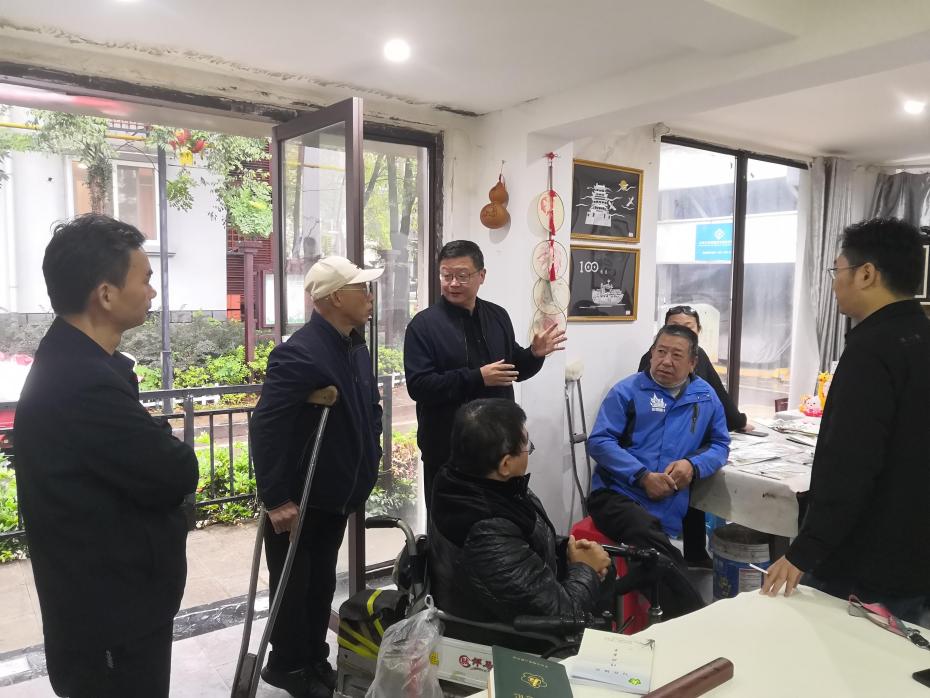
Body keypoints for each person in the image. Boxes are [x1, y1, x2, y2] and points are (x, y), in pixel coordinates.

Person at [14, 214, 198, 698]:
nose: (152, 292)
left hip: (107, 608)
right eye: (145, 279)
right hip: (110, 620)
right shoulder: (83, 382)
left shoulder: (79, 364)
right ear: (106, 294)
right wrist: (162, 438)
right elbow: (177, 471)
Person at [762, 218, 930, 624]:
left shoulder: (872, 350)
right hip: (915, 556)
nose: (835, 283)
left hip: (864, 563)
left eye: (838, 270)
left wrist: (804, 550)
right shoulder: (921, 336)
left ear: (866, 274)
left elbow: (852, 463)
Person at [250, 255, 383, 698]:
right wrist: (275, 498)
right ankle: (287, 665)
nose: (369, 297)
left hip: (334, 495)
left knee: (320, 583)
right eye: (362, 289)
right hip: (300, 500)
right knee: (295, 587)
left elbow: (370, 408)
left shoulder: (354, 346)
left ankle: (313, 660)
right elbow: (267, 425)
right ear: (334, 298)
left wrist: (373, 449)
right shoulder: (300, 352)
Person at [404, 240, 565, 504]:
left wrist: (534, 354)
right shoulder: (423, 325)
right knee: (450, 525)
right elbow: (419, 386)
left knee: (500, 520)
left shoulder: (498, 316)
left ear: (482, 276)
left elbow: (511, 368)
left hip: (498, 448)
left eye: (462, 276)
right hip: (448, 450)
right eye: (446, 275)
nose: (453, 283)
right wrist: (477, 377)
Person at [587, 324, 730, 618]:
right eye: (660, 352)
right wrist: (641, 476)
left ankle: (665, 614)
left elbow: (720, 444)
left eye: (676, 355)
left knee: (654, 549)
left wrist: (693, 465)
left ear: (693, 362)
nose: (666, 361)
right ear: (651, 354)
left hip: (667, 502)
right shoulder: (627, 391)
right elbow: (599, 442)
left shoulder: (705, 397)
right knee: (656, 549)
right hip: (617, 495)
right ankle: (693, 619)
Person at [429, 398, 611, 625]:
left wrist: (568, 550)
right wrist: (585, 569)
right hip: (507, 637)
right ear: (505, 464)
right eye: (527, 446)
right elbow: (563, 615)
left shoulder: (467, 480)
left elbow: (525, 542)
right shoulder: (486, 531)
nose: (529, 451)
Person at [636, 305, 754, 568]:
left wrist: (739, 421)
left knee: (695, 481)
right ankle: (668, 559)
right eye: (674, 326)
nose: (667, 360)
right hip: (660, 450)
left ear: (698, 332)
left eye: (688, 327)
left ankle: (694, 553)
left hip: (692, 443)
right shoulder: (649, 365)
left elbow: (719, 397)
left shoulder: (698, 359)